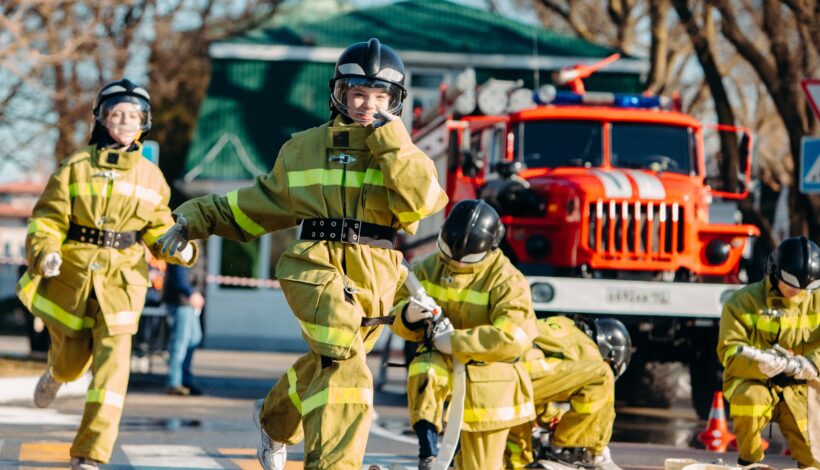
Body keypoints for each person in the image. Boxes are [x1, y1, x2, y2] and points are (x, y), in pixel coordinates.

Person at [156, 38, 448, 470]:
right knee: (348, 370)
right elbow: (256, 205)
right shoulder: (302, 148)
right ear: (339, 93)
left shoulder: (404, 153)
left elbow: (422, 202)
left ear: (396, 101)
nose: (368, 105)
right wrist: (192, 219)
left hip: (376, 277)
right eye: (358, 94)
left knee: (328, 361)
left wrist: (391, 141)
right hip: (313, 267)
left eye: (380, 96)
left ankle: (273, 421)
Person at [16, 78, 199, 470]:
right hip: (74, 277)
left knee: (112, 375)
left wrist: (179, 246)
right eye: (117, 114)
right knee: (71, 362)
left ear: (144, 123)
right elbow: (47, 218)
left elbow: (159, 227)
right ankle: (56, 373)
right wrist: (45, 252)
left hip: (123, 283)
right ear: (101, 118)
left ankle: (89, 454)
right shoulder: (75, 167)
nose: (125, 121)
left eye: (134, 115)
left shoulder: (151, 177)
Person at [390, 199, 537, 470]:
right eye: (448, 252)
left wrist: (455, 342)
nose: (454, 261)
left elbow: (514, 337)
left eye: (465, 258)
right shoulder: (428, 267)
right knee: (425, 367)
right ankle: (428, 451)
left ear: (491, 247)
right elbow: (396, 312)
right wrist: (407, 317)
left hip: (489, 387)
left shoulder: (507, 279)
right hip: (443, 367)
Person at [718, 236, 820, 468]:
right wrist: (757, 366)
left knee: (815, 458)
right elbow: (729, 351)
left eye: (806, 288)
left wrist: (813, 363)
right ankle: (750, 462)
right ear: (775, 271)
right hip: (754, 381)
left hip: (799, 388)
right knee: (750, 400)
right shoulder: (742, 302)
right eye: (792, 284)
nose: (798, 292)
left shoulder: (816, 300)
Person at [505, 316, 629, 469]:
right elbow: (602, 412)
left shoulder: (564, 328)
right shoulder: (589, 350)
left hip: (496, 379)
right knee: (602, 377)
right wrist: (598, 451)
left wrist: (553, 418)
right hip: (516, 377)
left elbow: (536, 390)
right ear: (609, 353)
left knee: (516, 457)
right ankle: (568, 451)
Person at [163, 250, 206, 396]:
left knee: (194, 338)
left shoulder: (197, 238)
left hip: (188, 299)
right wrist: (190, 292)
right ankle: (174, 382)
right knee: (180, 341)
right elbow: (178, 267)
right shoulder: (185, 235)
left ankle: (185, 378)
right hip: (181, 298)